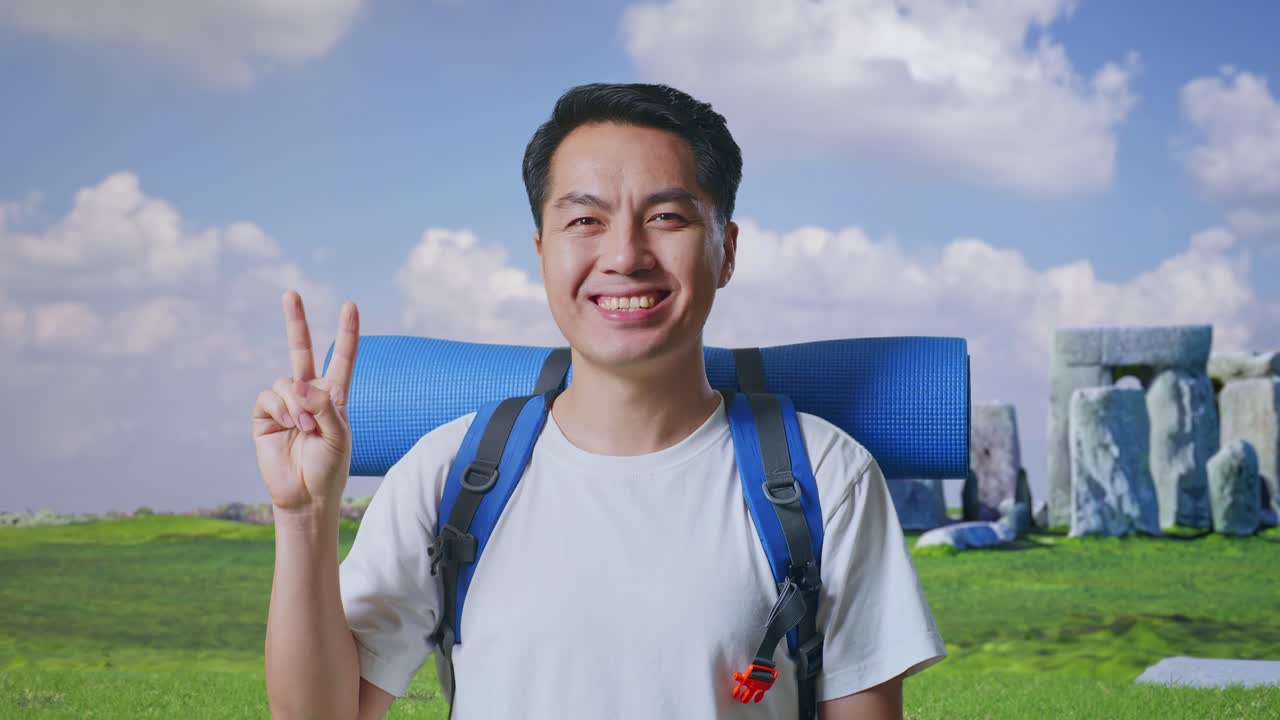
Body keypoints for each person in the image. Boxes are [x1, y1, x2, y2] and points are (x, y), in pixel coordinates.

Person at [254, 82, 946, 720]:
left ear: (725, 251)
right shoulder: (448, 475)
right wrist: (306, 518)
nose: (625, 254)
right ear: (542, 251)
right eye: (585, 221)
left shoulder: (827, 478)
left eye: (667, 216)